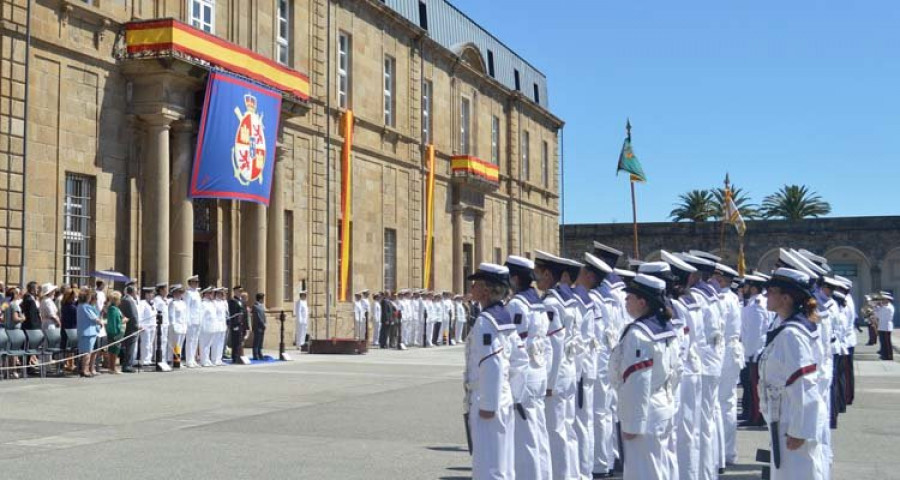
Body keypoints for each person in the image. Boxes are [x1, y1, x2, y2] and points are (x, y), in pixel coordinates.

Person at [758, 267, 829, 479]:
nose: (766, 295)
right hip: (785, 416)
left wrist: (799, 431)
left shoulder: (792, 335)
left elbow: (804, 383)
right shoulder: (788, 328)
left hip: (792, 419)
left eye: (771, 291)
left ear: (786, 298)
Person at [610, 274, 682, 480]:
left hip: (645, 413)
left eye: (629, 297)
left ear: (642, 302)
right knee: (664, 468)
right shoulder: (667, 330)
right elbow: (676, 372)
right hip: (663, 405)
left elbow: (637, 381)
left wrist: (633, 425)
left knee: (644, 472)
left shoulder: (639, 334)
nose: (625, 301)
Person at [465, 263, 516, 480]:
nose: (472, 287)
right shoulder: (502, 316)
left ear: (486, 289)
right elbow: (517, 360)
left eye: (476, 283)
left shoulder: (487, 322)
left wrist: (488, 404)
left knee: (488, 464)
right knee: (502, 460)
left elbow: (492, 363)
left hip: (488, 397)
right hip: (502, 395)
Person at [534, 250, 579, 479]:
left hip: (558, 376)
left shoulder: (551, 303)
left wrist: (549, 383)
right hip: (569, 371)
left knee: (556, 431)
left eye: (539, 274)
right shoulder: (568, 299)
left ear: (549, 275)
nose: (536, 279)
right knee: (567, 428)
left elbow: (556, 344)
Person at [505, 255, 550, 479]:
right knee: (538, 431)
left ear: (514, 278)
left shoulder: (517, 304)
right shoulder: (538, 302)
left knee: (525, 437)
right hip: (539, 369)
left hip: (525, 373)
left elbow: (514, 345)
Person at [739, 274, 771, 427]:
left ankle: (757, 417)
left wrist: (749, 354)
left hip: (755, 352)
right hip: (758, 350)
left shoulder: (756, 305)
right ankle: (755, 415)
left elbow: (755, 332)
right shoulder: (757, 302)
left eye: (746, 286)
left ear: (752, 288)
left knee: (755, 387)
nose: (743, 289)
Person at [76, 289, 103, 377]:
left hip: (83, 331)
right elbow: (94, 318)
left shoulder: (80, 306)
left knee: (85, 352)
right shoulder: (85, 306)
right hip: (88, 332)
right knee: (87, 352)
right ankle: (85, 370)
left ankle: (84, 369)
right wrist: (101, 322)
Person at [119, 285, 140, 373]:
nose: (137, 293)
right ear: (133, 292)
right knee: (130, 347)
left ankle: (126, 364)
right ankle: (127, 365)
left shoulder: (124, 299)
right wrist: (136, 326)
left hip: (127, 326)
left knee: (127, 347)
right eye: (136, 291)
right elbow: (133, 315)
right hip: (131, 327)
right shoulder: (129, 301)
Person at [105, 291, 126, 374]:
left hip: (115, 332)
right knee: (114, 351)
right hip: (115, 333)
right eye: (119, 299)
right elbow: (114, 322)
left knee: (114, 351)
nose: (120, 301)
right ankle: (112, 367)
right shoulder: (113, 309)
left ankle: (112, 367)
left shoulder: (115, 308)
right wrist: (123, 322)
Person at [184, 275, 203, 368]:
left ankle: (193, 359)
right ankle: (188, 360)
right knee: (190, 341)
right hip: (191, 320)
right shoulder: (188, 293)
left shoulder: (197, 293)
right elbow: (186, 308)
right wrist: (187, 321)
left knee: (195, 340)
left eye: (197, 282)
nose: (196, 284)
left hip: (197, 320)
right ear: (190, 283)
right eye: (195, 282)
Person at [167, 284, 188, 365]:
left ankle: (177, 360)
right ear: (174, 293)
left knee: (180, 344)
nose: (179, 294)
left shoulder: (183, 303)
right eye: (177, 292)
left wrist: (185, 325)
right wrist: (173, 326)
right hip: (176, 327)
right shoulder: (173, 303)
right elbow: (171, 316)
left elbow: (185, 315)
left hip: (182, 326)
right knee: (175, 344)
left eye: (180, 292)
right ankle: (173, 361)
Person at [60, 288, 78, 373]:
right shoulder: (72, 307)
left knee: (66, 346)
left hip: (64, 327)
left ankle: (66, 364)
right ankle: (71, 364)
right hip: (71, 328)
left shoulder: (64, 304)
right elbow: (76, 319)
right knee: (71, 347)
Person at [227, 286, 248, 363]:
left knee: (240, 341)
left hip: (241, 324)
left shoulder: (241, 301)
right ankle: (234, 357)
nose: (240, 293)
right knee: (235, 341)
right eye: (239, 291)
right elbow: (232, 313)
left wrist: (246, 325)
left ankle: (239, 355)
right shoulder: (232, 301)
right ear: (235, 291)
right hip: (236, 324)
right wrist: (234, 324)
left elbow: (244, 313)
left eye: (241, 291)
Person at [138, 287, 157, 366]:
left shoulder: (153, 303)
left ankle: (149, 359)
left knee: (150, 343)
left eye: (152, 294)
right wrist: (140, 324)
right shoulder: (143, 303)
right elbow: (140, 314)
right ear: (146, 295)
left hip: (152, 325)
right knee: (145, 343)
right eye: (150, 294)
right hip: (145, 326)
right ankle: (144, 359)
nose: (152, 295)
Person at [152, 283, 170, 366]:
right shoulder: (157, 299)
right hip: (160, 324)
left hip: (165, 323)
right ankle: (158, 358)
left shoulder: (165, 299)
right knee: (159, 342)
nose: (167, 291)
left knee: (164, 341)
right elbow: (155, 311)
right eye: (165, 289)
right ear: (161, 290)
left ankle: (163, 358)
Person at [199, 287, 217, 366]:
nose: (212, 295)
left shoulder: (211, 303)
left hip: (212, 326)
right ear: (205, 294)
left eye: (212, 293)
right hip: (205, 327)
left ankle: (207, 359)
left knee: (208, 344)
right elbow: (201, 317)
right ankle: (203, 360)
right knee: (204, 344)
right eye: (210, 293)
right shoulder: (203, 304)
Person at [876, 292, 895, 360]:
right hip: (881, 326)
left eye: (883, 299)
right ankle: (884, 355)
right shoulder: (883, 307)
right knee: (882, 342)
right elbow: (877, 315)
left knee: (887, 343)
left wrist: (879, 307)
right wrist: (877, 308)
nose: (882, 301)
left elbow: (882, 313)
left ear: (887, 300)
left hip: (887, 327)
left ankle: (889, 356)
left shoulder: (889, 307)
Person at [213, 288, 229, 365]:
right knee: (215, 343)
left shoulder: (222, 303)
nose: (220, 295)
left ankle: (219, 359)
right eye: (219, 293)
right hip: (216, 325)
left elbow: (225, 314)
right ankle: (214, 359)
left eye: (221, 293)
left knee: (221, 343)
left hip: (222, 324)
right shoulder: (214, 303)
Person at [251, 293, 267, 360]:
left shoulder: (261, 306)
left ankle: (260, 353)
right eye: (263, 298)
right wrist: (263, 324)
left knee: (260, 341)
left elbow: (263, 316)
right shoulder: (255, 306)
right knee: (256, 341)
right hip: (258, 326)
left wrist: (265, 323)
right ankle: (255, 355)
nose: (263, 300)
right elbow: (258, 317)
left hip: (262, 326)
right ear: (260, 299)